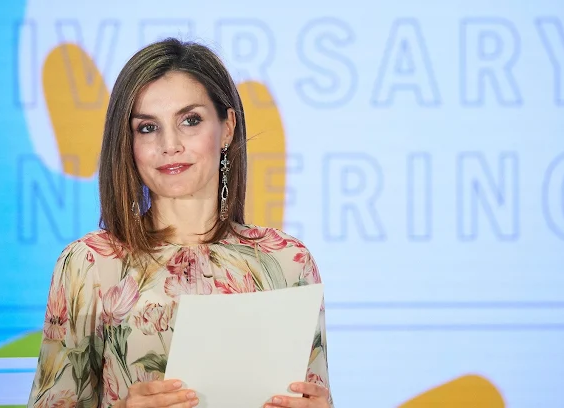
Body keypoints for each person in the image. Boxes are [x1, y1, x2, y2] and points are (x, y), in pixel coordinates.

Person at [27, 38, 334, 408]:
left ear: (228, 127)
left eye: (190, 121)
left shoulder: (289, 262)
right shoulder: (89, 264)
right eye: (147, 128)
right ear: (128, 143)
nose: (169, 144)